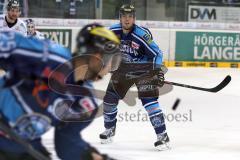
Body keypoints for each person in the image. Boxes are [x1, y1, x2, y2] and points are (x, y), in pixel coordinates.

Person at [0, 23, 120, 160]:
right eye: (111, 60)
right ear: (96, 56)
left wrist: (91, 156)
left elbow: (67, 144)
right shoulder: (50, 56)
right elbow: (6, 42)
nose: (110, 68)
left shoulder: (86, 102)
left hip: (20, 148)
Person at [99, 4, 170, 151]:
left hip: (145, 69)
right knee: (109, 100)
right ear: (120, 18)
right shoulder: (112, 31)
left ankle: (162, 135)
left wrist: (157, 71)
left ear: (134, 18)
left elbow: (157, 54)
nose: (127, 19)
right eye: (124, 16)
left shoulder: (141, 34)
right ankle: (110, 130)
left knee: (149, 102)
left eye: (130, 16)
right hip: (124, 69)